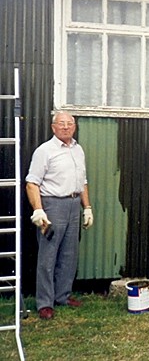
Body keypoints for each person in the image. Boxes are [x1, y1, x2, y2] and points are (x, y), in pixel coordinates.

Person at [25, 111, 94, 320]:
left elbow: (82, 182)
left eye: (69, 124)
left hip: (74, 205)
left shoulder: (78, 149)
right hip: (52, 206)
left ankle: (62, 296)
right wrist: (38, 210)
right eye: (61, 124)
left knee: (69, 255)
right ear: (53, 127)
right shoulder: (44, 151)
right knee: (48, 255)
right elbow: (32, 183)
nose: (66, 127)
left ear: (74, 127)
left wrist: (87, 207)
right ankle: (45, 303)